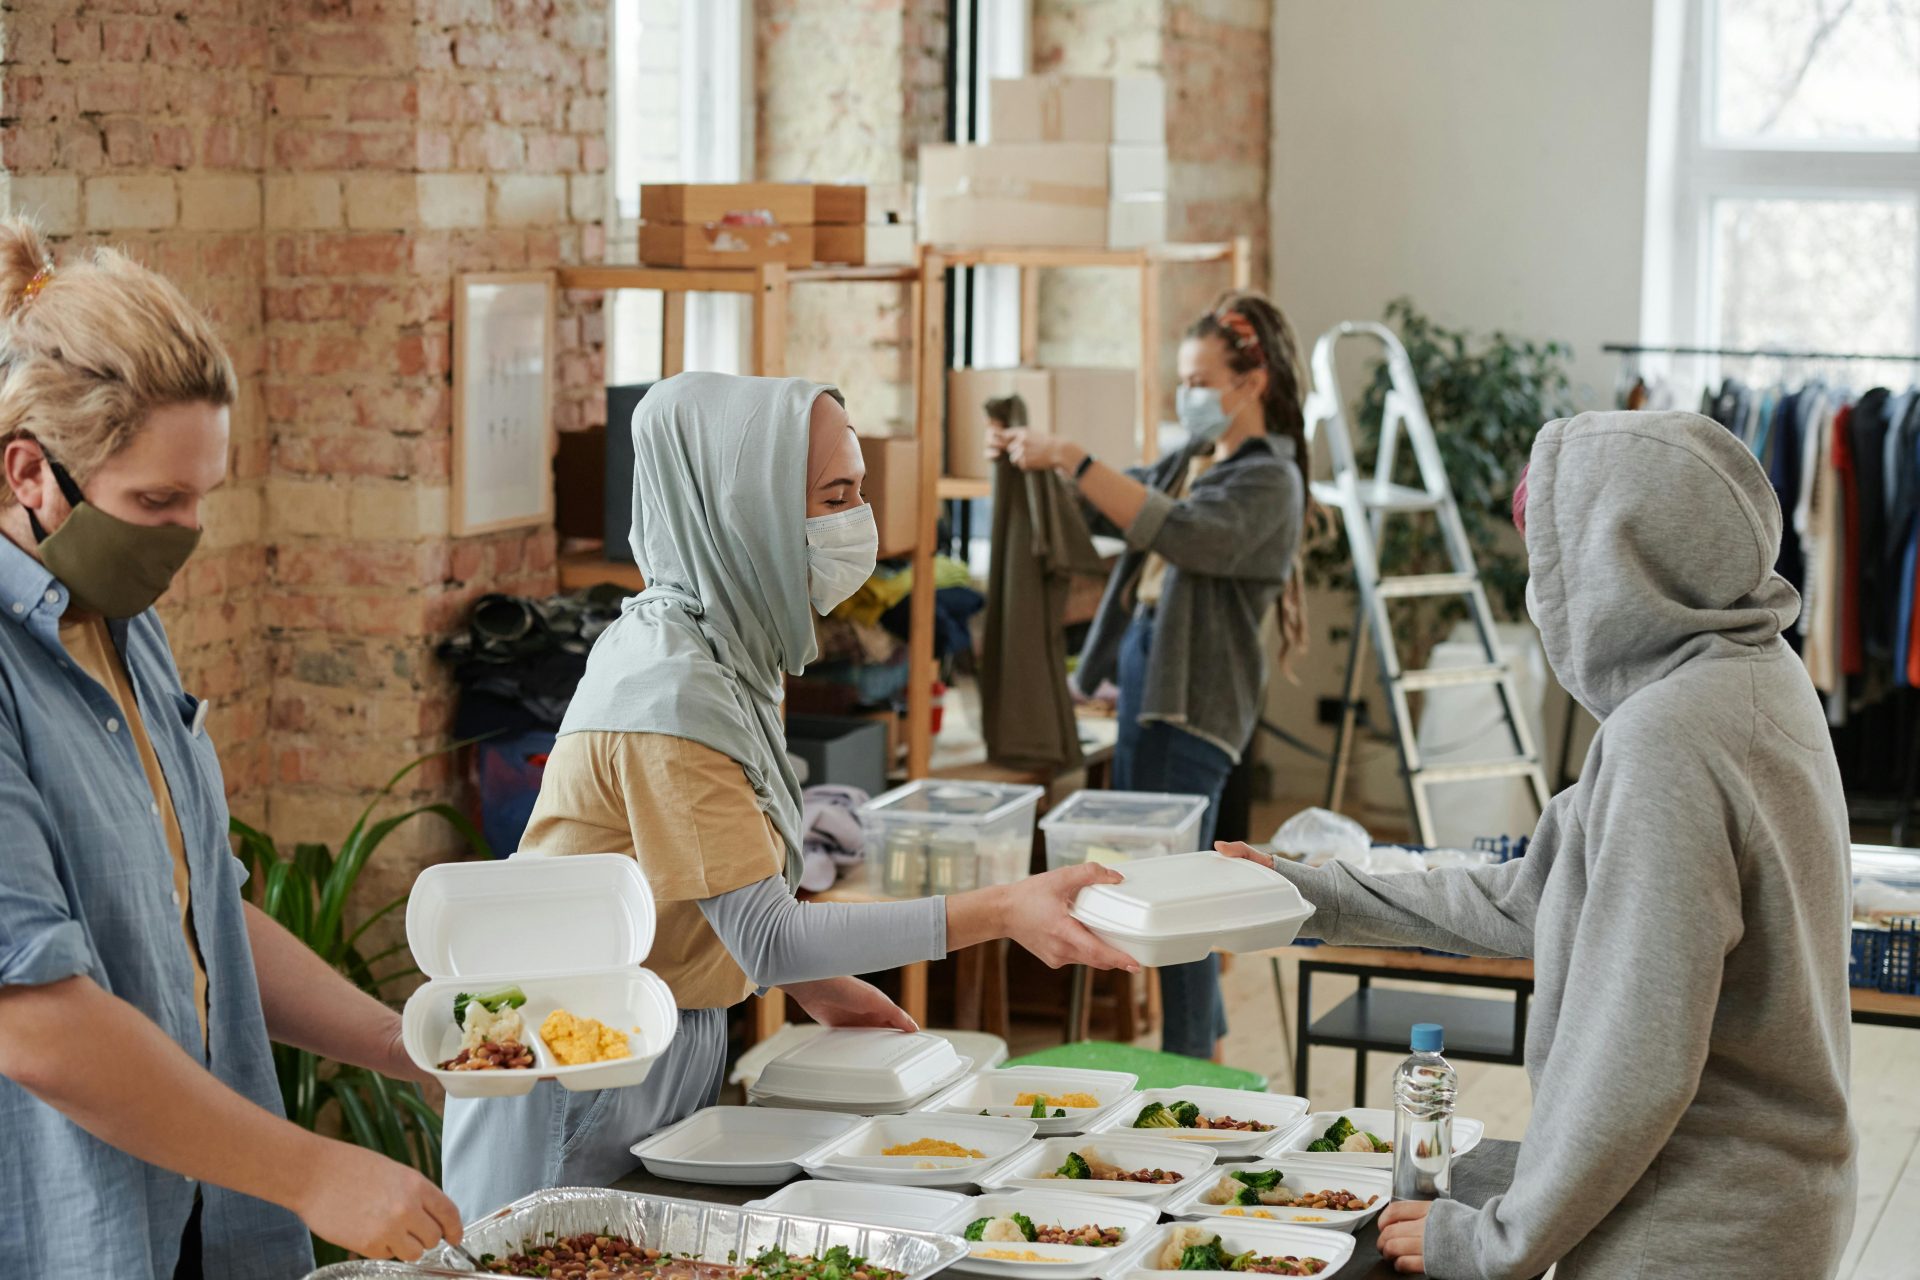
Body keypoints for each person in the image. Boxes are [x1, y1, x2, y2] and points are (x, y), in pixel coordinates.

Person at [443, 371, 1140, 1220]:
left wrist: (819, 982)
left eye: (858, 491)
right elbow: (769, 935)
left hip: (659, 1028)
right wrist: (1002, 909)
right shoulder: (670, 688)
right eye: (832, 495)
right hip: (577, 1061)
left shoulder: (727, 647)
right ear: (746, 507)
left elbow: (725, 898)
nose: (858, 523)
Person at [1220, 410, 1855, 1278]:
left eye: (1550, 561)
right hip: (1765, 1206)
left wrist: (1491, 1241)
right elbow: (1538, 896)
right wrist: (1314, 894)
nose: (1541, 588)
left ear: (1615, 566)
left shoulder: (1668, 737)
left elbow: (1638, 1059)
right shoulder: (1757, 675)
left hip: (1692, 1229)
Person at [0, 217, 465, 1279]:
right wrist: (312, 1171)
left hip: (207, 1226)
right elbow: (30, 1018)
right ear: (32, 472)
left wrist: (406, 1046)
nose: (185, 534)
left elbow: (204, 906)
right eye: (156, 501)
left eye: (202, 496)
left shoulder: (122, 620)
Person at [990, 291, 1310, 1060]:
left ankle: (1192, 1068)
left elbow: (1177, 531)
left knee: (1172, 906)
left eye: (1201, 379)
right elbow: (1116, 508)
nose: (1189, 395)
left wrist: (1072, 455)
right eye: (1184, 380)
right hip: (1150, 685)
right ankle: (1207, 1057)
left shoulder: (1271, 483)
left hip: (1193, 704)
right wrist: (1038, 466)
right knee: (1163, 891)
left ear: (1252, 380)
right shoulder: (1196, 460)